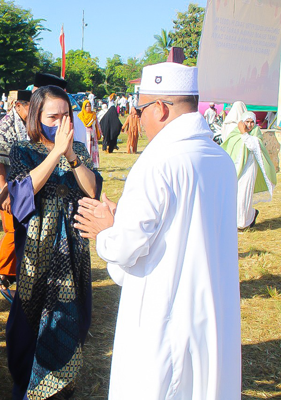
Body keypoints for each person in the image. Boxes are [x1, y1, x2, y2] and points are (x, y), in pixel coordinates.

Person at [74, 62, 241, 399]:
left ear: (161, 109)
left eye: (140, 109)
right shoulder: (220, 158)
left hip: (165, 314)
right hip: (212, 313)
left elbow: (125, 247)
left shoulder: (159, 160)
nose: (138, 118)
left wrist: (106, 230)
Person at [6, 86, 102, 400]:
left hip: (73, 246)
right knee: (31, 315)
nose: (60, 122)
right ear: (37, 116)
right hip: (37, 247)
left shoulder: (79, 149)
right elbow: (20, 196)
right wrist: (55, 154)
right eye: (52, 116)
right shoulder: (21, 150)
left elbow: (92, 191)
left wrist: (72, 156)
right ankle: (29, 383)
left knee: (73, 313)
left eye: (65, 115)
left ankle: (60, 384)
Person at [0, 90, 32, 291]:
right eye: (29, 105)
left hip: (24, 186)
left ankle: (9, 272)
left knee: (23, 231)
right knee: (13, 231)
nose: (33, 109)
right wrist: (5, 192)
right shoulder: (5, 127)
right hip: (8, 189)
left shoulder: (27, 124)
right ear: (18, 105)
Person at [221, 111, 276, 229]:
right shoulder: (235, 134)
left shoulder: (256, 134)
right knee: (235, 196)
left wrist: (244, 134)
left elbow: (253, 145)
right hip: (237, 170)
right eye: (247, 122)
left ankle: (244, 222)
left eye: (252, 122)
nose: (250, 125)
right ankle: (245, 218)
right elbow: (230, 149)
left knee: (244, 195)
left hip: (249, 168)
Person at [78, 99, 101, 167]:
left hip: (92, 135)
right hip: (84, 135)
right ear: (84, 107)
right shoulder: (80, 116)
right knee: (86, 149)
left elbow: (97, 125)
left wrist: (98, 134)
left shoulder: (93, 115)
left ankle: (93, 164)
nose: (89, 108)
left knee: (93, 150)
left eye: (90, 106)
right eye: (87, 106)